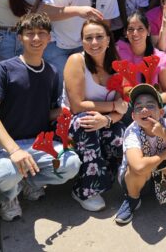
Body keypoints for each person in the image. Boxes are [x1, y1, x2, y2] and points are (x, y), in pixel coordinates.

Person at [0, 13, 81, 221]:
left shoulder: (52, 72)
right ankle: (9, 195)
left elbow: (44, 111)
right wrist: (14, 150)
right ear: (20, 38)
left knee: (71, 164)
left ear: (49, 38)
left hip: (37, 145)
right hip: (5, 147)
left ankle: (28, 182)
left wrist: (64, 112)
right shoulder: (3, 69)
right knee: (7, 173)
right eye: (30, 34)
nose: (36, 38)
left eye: (41, 33)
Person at [63, 19, 127, 211]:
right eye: (88, 38)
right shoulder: (77, 61)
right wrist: (112, 106)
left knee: (120, 135)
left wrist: (107, 119)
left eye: (99, 36)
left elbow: (121, 109)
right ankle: (85, 190)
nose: (94, 42)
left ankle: (110, 177)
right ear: (82, 42)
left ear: (108, 39)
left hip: (103, 119)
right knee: (87, 123)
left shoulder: (117, 66)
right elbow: (77, 106)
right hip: (72, 121)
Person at [115, 83, 166, 225]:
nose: (144, 109)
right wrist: (163, 155)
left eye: (151, 105)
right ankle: (132, 198)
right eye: (139, 107)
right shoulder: (132, 131)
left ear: (161, 113)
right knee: (135, 170)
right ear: (133, 116)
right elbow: (139, 167)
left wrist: (163, 133)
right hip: (137, 179)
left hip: (161, 176)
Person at [116, 11, 166, 118]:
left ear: (148, 31)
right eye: (131, 29)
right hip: (129, 105)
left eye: (140, 29)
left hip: (153, 103)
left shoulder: (158, 57)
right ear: (125, 33)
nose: (135, 33)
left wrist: (150, 102)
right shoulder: (118, 53)